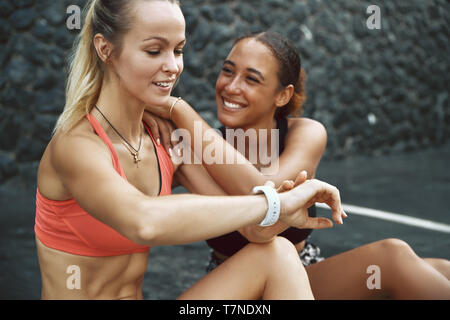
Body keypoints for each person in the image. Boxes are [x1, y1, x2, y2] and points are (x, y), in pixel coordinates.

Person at [34, 0, 346, 300]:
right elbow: (145, 222)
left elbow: (253, 229)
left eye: (178, 50)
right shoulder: (75, 145)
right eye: (154, 50)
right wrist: (276, 202)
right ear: (105, 49)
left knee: (276, 252)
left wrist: (284, 211)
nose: (172, 66)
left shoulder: (163, 143)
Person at [145, 31, 450, 299]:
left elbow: (266, 193)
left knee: (440, 269)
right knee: (392, 258)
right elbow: (135, 185)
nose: (231, 87)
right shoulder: (192, 145)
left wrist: (179, 110)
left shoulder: (304, 133)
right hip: (241, 286)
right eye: (228, 71)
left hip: (304, 269)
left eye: (251, 79)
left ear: (283, 95)